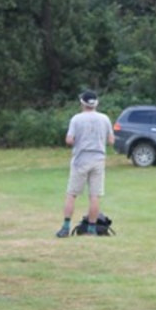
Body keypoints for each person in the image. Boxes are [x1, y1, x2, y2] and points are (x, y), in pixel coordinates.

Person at [57, 91, 114, 238]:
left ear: (82, 103)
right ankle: (92, 228)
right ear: (96, 103)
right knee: (94, 195)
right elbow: (111, 140)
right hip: (98, 160)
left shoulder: (76, 119)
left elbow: (69, 140)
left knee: (72, 194)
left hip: (80, 160)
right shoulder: (105, 119)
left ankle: (66, 227)